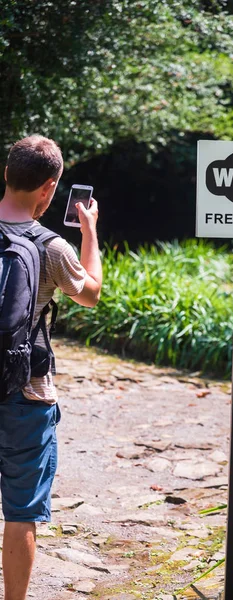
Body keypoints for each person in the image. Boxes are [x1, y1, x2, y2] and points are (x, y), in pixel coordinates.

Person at [0, 135, 102, 600]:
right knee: (20, 511)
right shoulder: (51, 247)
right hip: (26, 393)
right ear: (49, 187)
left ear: (6, 173)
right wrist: (89, 230)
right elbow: (92, 292)